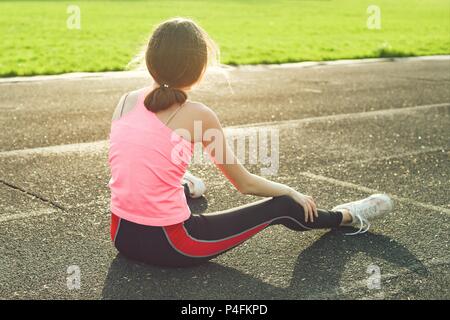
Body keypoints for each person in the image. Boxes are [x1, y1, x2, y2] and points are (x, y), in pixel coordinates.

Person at [108, 17, 393, 268]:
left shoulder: (125, 101)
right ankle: (347, 216)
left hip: (121, 236)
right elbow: (244, 184)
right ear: (200, 67)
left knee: (160, 178)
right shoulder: (199, 115)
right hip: (174, 244)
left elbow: (134, 160)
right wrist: (291, 190)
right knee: (281, 205)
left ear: (150, 59)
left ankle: (186, 184)